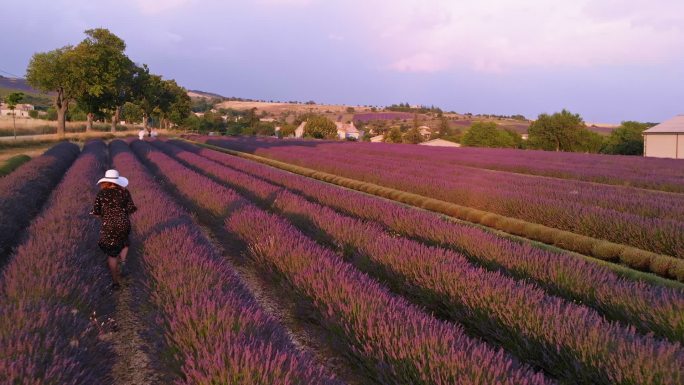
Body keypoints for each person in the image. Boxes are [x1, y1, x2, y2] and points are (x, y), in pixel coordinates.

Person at [90, 169, 137, 290]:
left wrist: (105, 216)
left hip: (109, 225)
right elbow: (131, 209)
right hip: (123, 223)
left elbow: (96, 212)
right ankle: (124, 262)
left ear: (106, 181)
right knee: (125, 241)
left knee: (112, 254)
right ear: (117, 181)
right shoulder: (124, 192)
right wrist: (121, 215)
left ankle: (115, 283)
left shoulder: (101, 194)